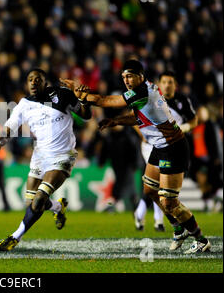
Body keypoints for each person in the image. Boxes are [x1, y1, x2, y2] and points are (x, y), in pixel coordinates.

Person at [61, 59, 211, 254]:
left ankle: (200, 239)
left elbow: (104, 101)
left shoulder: (141, 92)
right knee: (149, 191)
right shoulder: (146, 90)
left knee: (169, 202)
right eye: (124, 77)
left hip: (173, 147)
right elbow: (139, 117)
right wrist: (116, 121)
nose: (126, 80)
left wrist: (80, 93)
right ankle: (178, 229)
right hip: (160, 147)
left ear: (141, 76)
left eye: (130, 76)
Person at [0, 68, 92, 251]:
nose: (33, 82)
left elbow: (86, 115)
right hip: (39, 157)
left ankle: (15, 237)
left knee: (38, 201)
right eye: (30, 79)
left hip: (62, 155)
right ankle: (57, 207)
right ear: (26, 83)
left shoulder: (62, 95)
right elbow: (10, 127)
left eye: (38, 79)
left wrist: (83, 99)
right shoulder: (24, 104)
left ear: (45, 82)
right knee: (32, 203)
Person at [134, 71, 198, 232]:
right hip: (152, 145)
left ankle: (150, 217)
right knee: (154, 186)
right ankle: (158, 220)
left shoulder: (182, 101)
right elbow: (134, 117)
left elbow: (193, 120)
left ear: (175, 85)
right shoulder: (153, 99)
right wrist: (142, 133)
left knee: (157, 187)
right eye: (164, 82)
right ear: (160, 84)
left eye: (170, 82)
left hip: (173, 147)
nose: (167, 85)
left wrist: (185, 127)